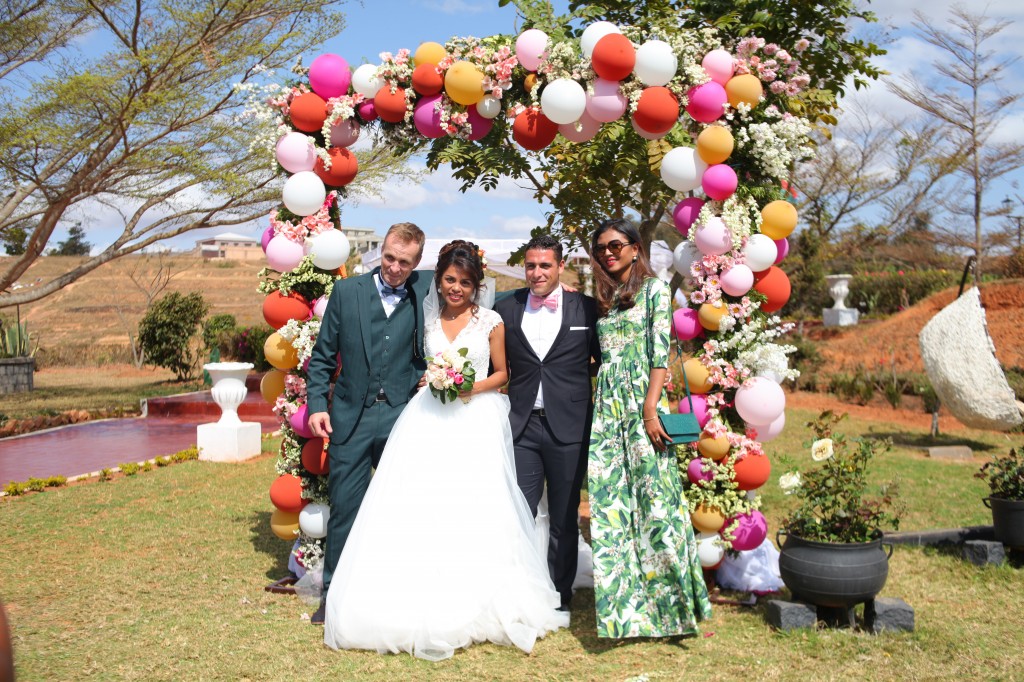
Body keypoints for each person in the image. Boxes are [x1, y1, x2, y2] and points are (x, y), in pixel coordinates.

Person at [323, 240, 568, 660]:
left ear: (477, 285)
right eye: (450, 280)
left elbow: (503, 373)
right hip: (427, 417)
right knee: (418, 501)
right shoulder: (426, 314)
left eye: (466, 282)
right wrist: (433, 379)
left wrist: (469, 385)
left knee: (472, 504)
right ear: (438, 279)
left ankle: (476, 593)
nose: (457, 288)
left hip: (475, 418)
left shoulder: (490, 321)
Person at [587, 218, 712, 639]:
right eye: (601, 247)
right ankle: (626, 611)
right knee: (612, 507)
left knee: (656, 506)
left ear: (636, 248)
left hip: (644, 406)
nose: (609, 252)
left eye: (616, 245)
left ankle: (673, 611)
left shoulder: (656, 291)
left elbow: (660, 355)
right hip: (608, 411)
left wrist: (650, 409)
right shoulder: (604, 299)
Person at [305, 222, 434, 626]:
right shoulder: (347, 292)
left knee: (402, 508)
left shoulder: (426, 289)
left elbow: (474, 288)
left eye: (405, 262)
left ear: (417, 263)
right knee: (345, 508)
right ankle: (333, 595)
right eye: (390, 257)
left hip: (402, 416)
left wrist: (551, 291)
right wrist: (316, 405)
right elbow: (324, 357)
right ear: (382, 250)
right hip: (351, 417)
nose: (395, 268)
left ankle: (396, 592)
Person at [494, 234, 600, 613]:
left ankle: (559, 595)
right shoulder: (504, 309)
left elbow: (602, 360)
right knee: (517, 513)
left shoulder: (587, 310)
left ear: (560, 266)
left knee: (563, 517)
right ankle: (518, 589)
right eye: (531, 266)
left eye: (545, 265)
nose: (537, 273)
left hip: (569, 426)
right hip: (521, 426)